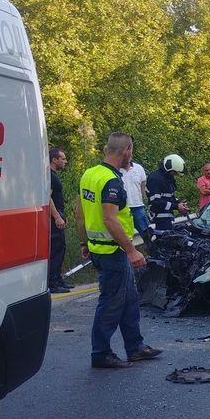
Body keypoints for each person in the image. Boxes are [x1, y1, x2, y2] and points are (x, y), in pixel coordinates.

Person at [75, 132, 163, 369]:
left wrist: (84, 242)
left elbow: (79, 213)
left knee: (130, 299)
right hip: (113, 252)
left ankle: (135, 347)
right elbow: (110, 219)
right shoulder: (112, 181)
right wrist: (131, 250)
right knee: (111, 303)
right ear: (127, 151)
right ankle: (101, 353)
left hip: (99, 249)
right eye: (131, 152)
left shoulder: (90, 174)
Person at [48, 147, 71, 293]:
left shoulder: (53, 175)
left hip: (58, 215)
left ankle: (58, 280)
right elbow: (48, 197)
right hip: (53, 218)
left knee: (60, 249)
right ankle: (53, 283)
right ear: (54, 160)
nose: (65, 161)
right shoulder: (50, 176)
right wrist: (57, 217)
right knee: (56, 250)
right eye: (62, 159)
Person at [147, 154, 189, 231]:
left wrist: (179, 203)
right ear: (169, 169)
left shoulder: (168, 178)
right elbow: (156, 202)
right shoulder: (155, 179)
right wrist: (176, 206)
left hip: (167, 218)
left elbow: (169, 197)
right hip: (159, 218)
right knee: (165, 237)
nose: (175, 175)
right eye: (174, 172)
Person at [120, 158, 149, 235]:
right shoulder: (115, 170)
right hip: (122, 208)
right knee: (125, 234)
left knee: (146, 233)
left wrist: (144, 197)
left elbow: (143, 183)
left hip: (138, 206)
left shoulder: (138, 168)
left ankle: (149, 243)